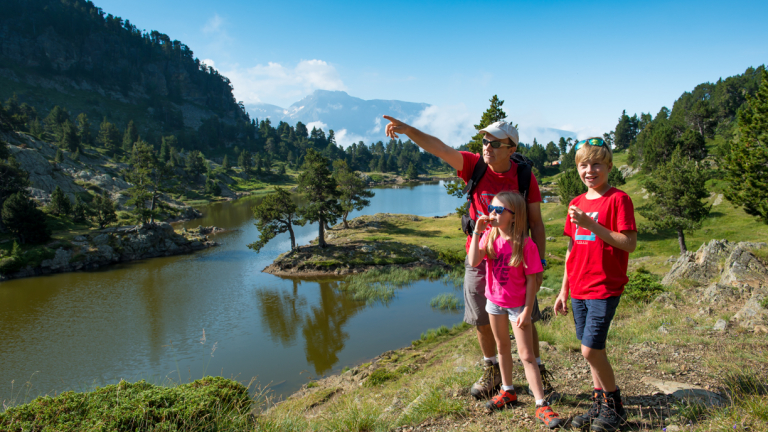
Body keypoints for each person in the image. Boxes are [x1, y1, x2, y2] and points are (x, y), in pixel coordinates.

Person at [383, 116, 552, 399]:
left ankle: (537, 369)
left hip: (514, 256)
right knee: (482, 318)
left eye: (496, 143)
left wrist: (540, 262)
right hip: (479, 256)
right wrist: (409, 130)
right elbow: (439, 148)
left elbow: (536, 223)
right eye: (485, 141)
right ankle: (493, 370)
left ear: (511, 148)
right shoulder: (474, 165)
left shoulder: (524, 176)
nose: (488, 146)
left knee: (526, 317)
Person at [553, 137, 637, 432]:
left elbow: (628, 243)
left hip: (605, 287)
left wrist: (592, 225)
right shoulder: (575, 203)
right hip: (579, 288)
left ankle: (615, 408)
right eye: (584, 164)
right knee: (592, 350)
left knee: (590, 350)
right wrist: (564, 290)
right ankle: (599, 403)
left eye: (596, 163)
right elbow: (570, 249)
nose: (590, 170)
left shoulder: (618, 199)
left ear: (609, 166)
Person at [468, 191, 562, 428]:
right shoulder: (488, 236)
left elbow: (532, 280)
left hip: (518, 306)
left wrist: (527, 310)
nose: (493, 214)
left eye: (499, 210)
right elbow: (473, 262)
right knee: (502, 347)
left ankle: (541, 404)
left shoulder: (525, 244)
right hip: (494, 303)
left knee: (527, 354)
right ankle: (508, 390)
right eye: (492, 208)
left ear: (514, 216)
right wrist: (478, 230)